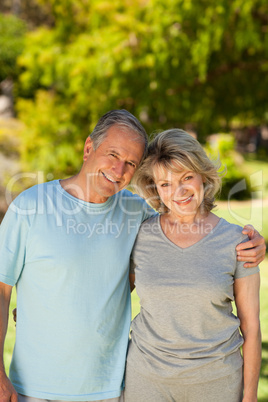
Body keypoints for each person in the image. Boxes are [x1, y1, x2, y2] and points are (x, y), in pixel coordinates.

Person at [0, 112, 264, 402]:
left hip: (109, 391)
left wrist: (255, 243)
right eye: (112, 154)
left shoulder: (136, 214)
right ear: (89, 148)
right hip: (35, 388)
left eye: (130, 163)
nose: (118, 169)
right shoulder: (30, 206)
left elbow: (186, 233)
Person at [124, 129, 262, 402]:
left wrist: (250, 396)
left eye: (186, 177)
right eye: (165, 184)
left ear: (203, 176)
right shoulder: (139, 236)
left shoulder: (238, 241)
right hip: (147, 382)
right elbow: (108, 299)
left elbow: (252, 327)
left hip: (217, 383)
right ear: (155, 188)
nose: (178, 192)